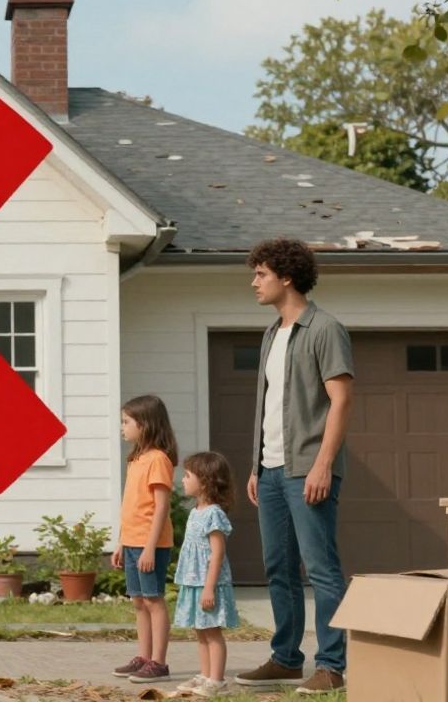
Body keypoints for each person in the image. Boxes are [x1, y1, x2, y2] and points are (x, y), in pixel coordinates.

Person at [235, 238, 353, 696]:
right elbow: (271, 406)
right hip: (269, 471)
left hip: (308, 468)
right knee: (278, 567)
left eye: (260, 274)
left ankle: (331, 666)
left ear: (286, 277)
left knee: (322, 569)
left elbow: (341, 401)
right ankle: (286, 659)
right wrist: (255, 466)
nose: (254, 282)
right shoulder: (271, 334)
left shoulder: (325, 329)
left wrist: (323, 465)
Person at [110, 394, 178, 684]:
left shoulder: (158, 460)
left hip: (152, 545)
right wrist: (122, 542)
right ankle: (144, 656)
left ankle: (159, 663)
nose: (122, 427)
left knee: (153, 600)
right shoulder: (135, 458)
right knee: (138, 601)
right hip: (133, 542)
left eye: (126, 421)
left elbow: (161, 506)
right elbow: (131, 505)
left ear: (145, 424)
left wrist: (150, 547)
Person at [173, 451, 240, 698]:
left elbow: (217, 554)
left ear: (205, 481)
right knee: (199, 631)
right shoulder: (195, 512)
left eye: (188, 475)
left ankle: (217, 680)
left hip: (208, 583)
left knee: (212, 632)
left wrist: (209, 587)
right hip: (194, 582)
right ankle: (204, 675)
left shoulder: (213, 514)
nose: (182, 480)